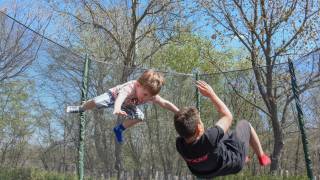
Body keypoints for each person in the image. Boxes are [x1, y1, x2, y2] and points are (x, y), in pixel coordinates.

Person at [174, 80, 271, 179]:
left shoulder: (180, 144)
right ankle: (262, 156)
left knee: (227, 135)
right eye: (201, 121)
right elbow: (227, 116)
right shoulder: (210, 138)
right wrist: (211, 94)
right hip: (233, 164)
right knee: (245, 125)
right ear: (199, 128)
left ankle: (242, 154)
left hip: (202, 172)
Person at [67, 70, 179, 143]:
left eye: (149, 97)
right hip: (114, 97)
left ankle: (119, 129)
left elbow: (165, 103)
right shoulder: (131, 87)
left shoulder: (150, 95)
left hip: (128, 104)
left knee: (140, 116)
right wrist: (117, 108)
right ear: (138, 85)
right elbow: (121, 97)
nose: (145, 99)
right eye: (144, 94)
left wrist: (178, 112)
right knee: (96, 102)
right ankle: (81, 107)